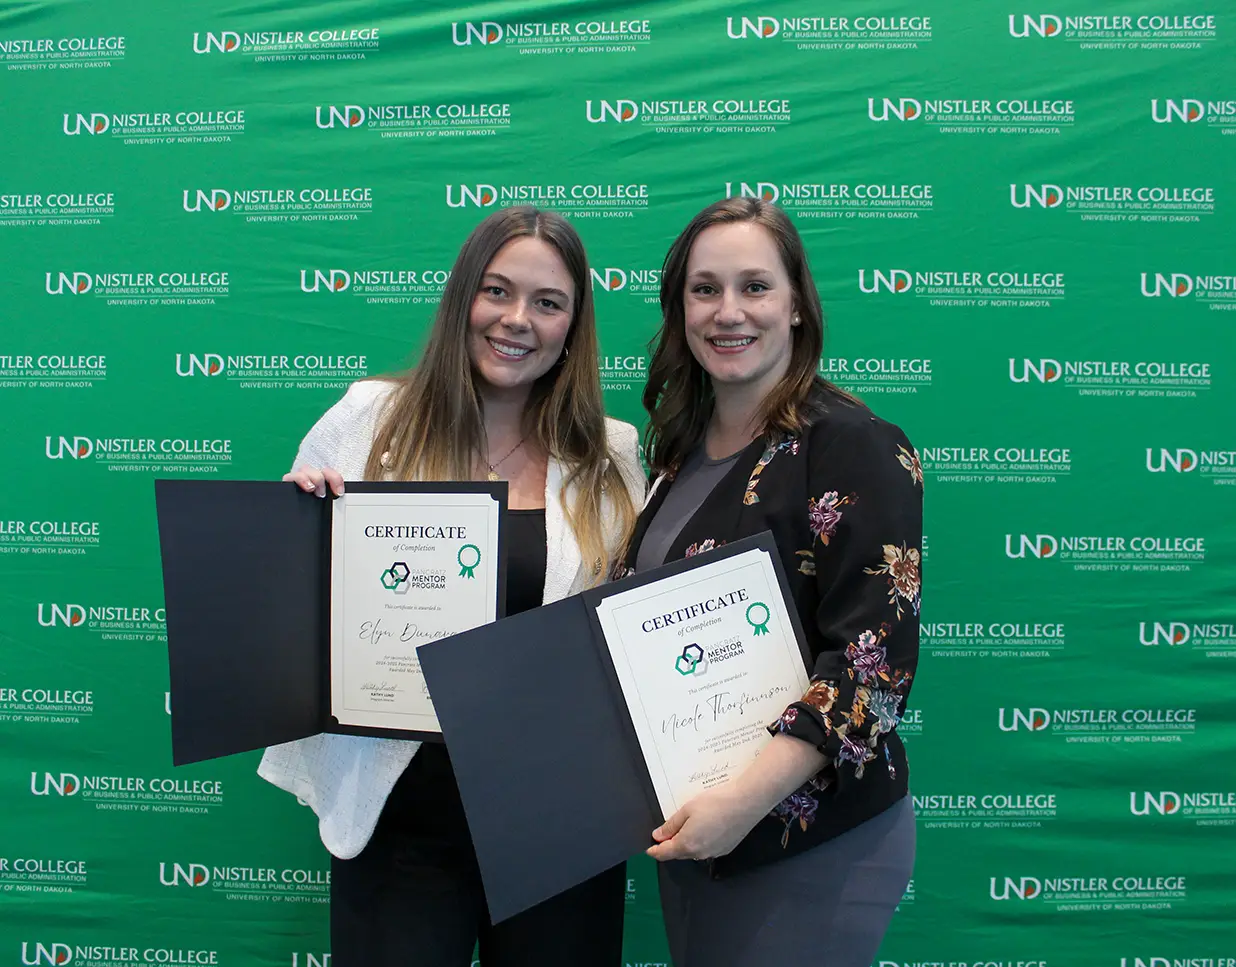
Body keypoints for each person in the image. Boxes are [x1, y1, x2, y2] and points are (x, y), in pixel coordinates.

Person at [258, 206, 644, 967]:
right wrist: (296, 524)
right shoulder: (370, 420)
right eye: (497, 291)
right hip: (402, 817)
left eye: (548, 302)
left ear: (574, 325)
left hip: (558, 822)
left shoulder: (612, 452)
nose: (517, 319)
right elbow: (288, 608)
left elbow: (626, 629)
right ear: (462, 295)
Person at [621, 197, 921, 967]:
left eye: (755, 286)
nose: (729, 311)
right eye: (705, 289)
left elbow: (873, 669)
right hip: (703, 832)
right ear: (678, 308)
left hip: (808, 839)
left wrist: (741, 803)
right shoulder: (677, 455)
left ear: (796, 307)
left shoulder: (852, 443)